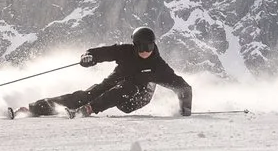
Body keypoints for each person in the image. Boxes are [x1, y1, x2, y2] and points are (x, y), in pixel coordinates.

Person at [28, 27, 192, 117]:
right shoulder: (125, 51)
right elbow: (100, 53)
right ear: (134, 45)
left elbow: (183, 88)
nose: (144, 51)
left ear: (153, 45)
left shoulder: (158, 66)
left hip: (136, 98)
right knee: (85, 96)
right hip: (114, 84)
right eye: (140, 47)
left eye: (148, 47)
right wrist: (89, 57)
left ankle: (90, 109)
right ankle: (35, 108)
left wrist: (185, 110)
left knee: (128, 87)